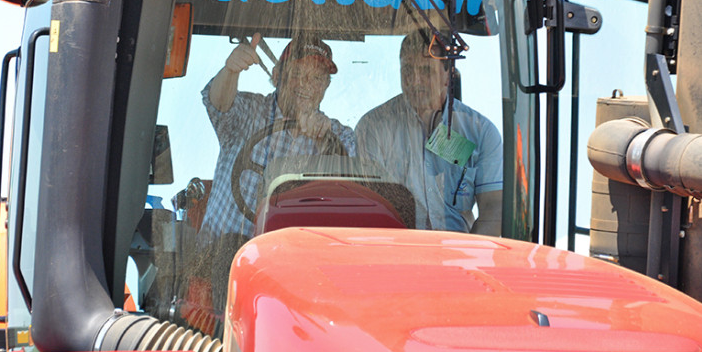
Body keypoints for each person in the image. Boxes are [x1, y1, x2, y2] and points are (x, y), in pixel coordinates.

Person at [199, 32, 356, 239]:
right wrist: (230, 71)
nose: (306, 84)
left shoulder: (339, 136)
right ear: (276, 76)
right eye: (298, 73)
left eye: (317, 78)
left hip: (291, 261)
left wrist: (324, 139)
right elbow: (219, 104)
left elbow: (353, 195)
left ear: (326, 86)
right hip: (219, 257)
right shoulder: (250, 111)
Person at [355, 28, 503, 235]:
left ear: (447, 74)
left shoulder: (480, 132)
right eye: (407, 70)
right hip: (392, 248)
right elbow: (368, 206)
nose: (414, 81)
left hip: (457, 255)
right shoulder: (374, 127)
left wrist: (473, 256)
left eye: (425, 71)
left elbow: (494, 209)